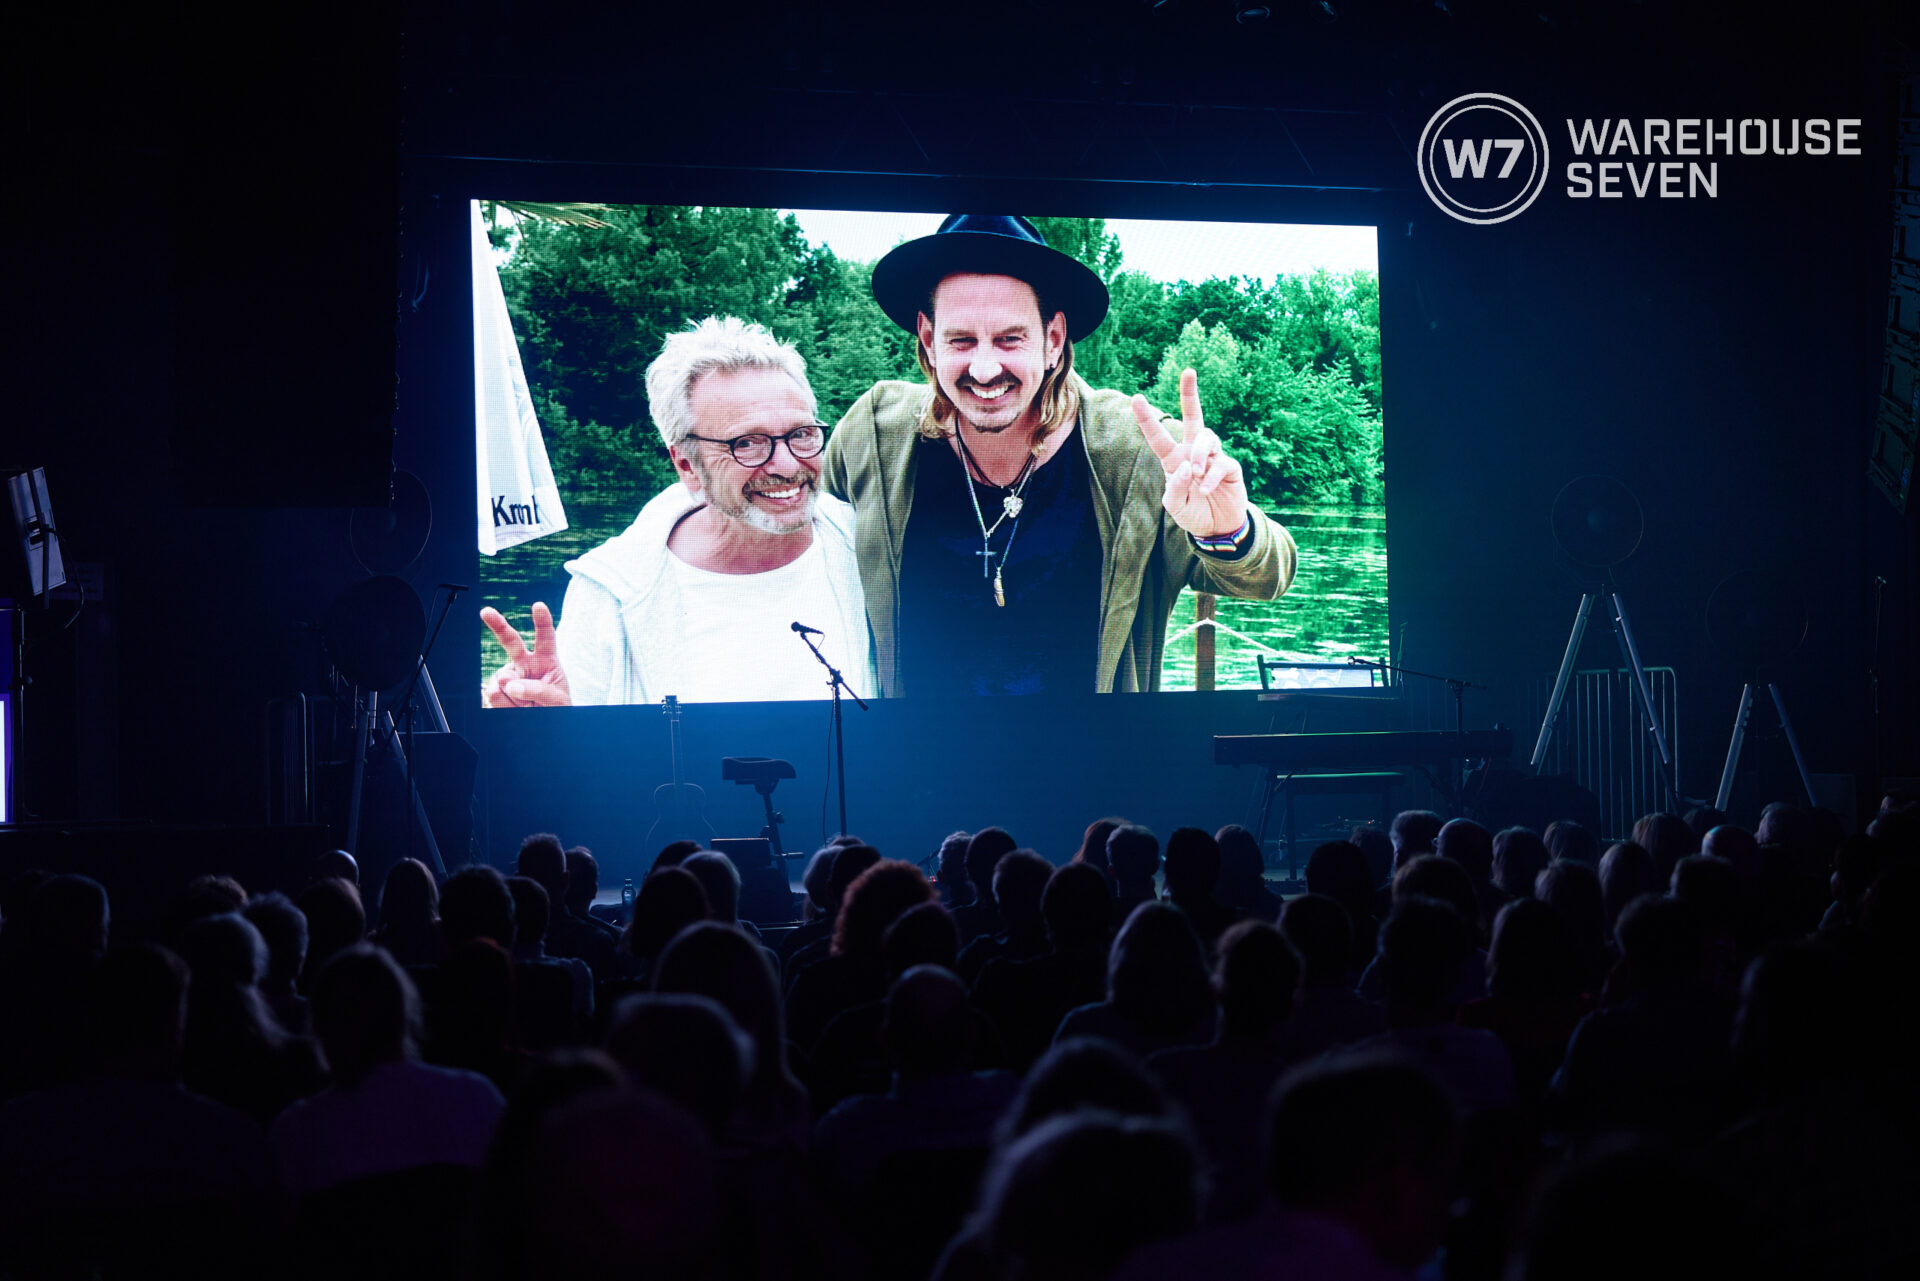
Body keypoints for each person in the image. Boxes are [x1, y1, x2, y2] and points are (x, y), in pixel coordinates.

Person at [821, 214, 1296, 695]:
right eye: (961, 340)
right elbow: (806, 557)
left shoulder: (1141, 451)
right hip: (915, 745)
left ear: (1052, 340)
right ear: (928, 340)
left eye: (1009, 339)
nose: (984, 369)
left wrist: (1225, 530)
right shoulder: (873, 437)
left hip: (1094, 745)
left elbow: (1269, 577)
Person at [480, 316, 874, 706]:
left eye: (801, 434)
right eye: (747, 443)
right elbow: (575, 739)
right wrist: (546, 723)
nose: (787, 466)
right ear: (687, 465)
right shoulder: (610, 594)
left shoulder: (873, 552)